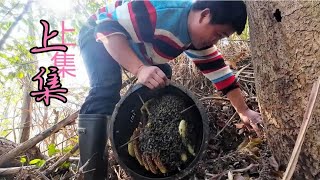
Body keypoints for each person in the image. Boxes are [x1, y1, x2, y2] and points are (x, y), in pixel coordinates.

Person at [77, 0, 263, 179]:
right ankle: (91, 174)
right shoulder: (160, 11)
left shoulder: (196, 39)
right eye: (218, 34)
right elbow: (106, 27)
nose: (215, 42)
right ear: (205, 15)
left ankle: (150, 129)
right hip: (99, 34)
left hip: (135, 44)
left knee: (163, 74)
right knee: (106, 89)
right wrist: (140, 69)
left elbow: (221, 74)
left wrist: (243, 110)